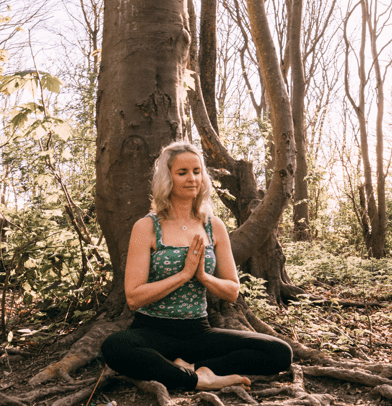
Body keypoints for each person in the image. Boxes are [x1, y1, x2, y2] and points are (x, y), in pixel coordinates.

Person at [101, 141, 292, 391]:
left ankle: (195, 369)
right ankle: (195, 380)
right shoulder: (147, 226)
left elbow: (232, 290)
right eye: (182, 172)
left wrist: (202, 276)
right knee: (114, 348)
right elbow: (134, 298)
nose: (192, 178)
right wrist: (183, 275)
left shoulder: (214, 226)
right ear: (167, 178)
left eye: (197, 171)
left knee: (279, 352)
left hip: (198, 331)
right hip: (152, 330)